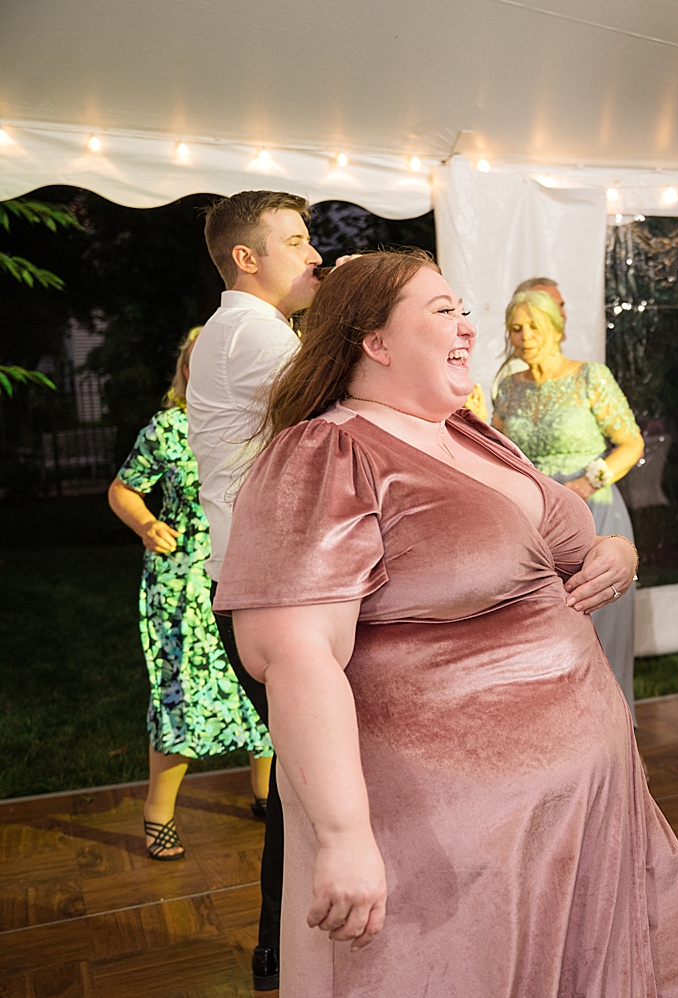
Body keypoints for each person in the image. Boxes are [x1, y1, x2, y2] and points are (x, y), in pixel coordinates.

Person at [214, 250, 678, 997]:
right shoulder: (328, 453)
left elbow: (574, 538)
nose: (470, 327)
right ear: (374, 341)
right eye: (444, 311)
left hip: (592, 812)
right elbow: (294, 653)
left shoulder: (473, 434)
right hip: (460, 848)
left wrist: (620, 552)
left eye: (464, 309)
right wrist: (342, 837)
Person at [186, 189, 324, 992]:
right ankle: (288, 947)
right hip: (271, 592)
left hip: (263, 585)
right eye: (298, 241)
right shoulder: (252, 332)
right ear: (247, 257)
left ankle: (283, 946)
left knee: (309, 773)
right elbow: (350, 409)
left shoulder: (248, 329)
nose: (314, 256)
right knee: (312, 776)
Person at [108, 327, 273, 861]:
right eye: (192, 361)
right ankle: (159, 812)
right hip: (183, 583)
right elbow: (123, 488)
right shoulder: (167, 429)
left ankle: (266, 795)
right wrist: (146, 524)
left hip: (248, 573)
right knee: (183, 691)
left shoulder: (252, 424)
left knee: (261, 680)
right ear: (185, 371)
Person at [491, 289, 645, 714]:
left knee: (603, 624)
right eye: (516, 328)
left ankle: (620, 735)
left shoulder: (589, 376)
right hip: (532, 524)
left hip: (593, 510)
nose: (524, 336)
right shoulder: (508, 390)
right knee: (544, 628)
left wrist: (584, 482)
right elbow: (496, 452)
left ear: (556, 330)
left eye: (533, 326)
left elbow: (630, 443)